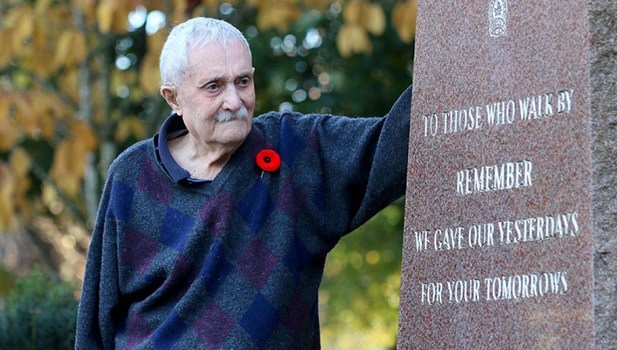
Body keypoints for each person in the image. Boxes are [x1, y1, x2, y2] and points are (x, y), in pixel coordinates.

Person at [75, 17, 412, 349]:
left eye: (243, 82)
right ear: (173, 98)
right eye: (214, 86)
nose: (234, 101)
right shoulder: (132, 176)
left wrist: (458, 46)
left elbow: (400, 143)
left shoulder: (297, 150)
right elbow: (96, 321)